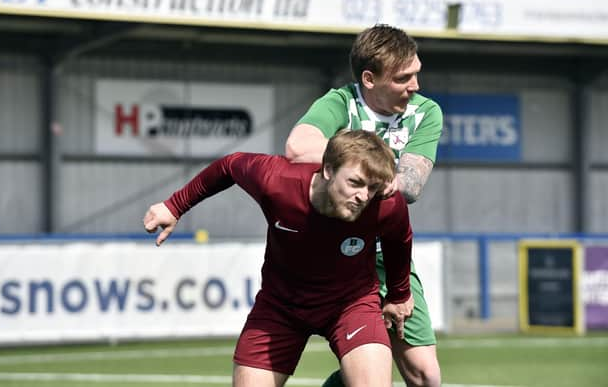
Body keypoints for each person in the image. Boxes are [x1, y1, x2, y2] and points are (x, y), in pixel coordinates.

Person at [143, 130, 415, 387]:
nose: (363, 196)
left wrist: (399, 294)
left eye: (372, 187)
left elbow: (399, 238)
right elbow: (229, 165)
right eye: (355, 182)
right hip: (280, 308)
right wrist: (174, 206)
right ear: (328, 170)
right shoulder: (276, 181)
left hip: (351, 304)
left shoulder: (385, 203)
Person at [285, 24, 443, 387]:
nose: (415, 85)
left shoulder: (426, 113)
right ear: (369, 79)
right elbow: (296, 148)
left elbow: (409, 186)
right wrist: (369, 167)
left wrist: (361, 172)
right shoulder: (340, 103)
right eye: (404, 78)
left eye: (416, 73)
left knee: (426, 375)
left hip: (385, 252)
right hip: (328, 252)